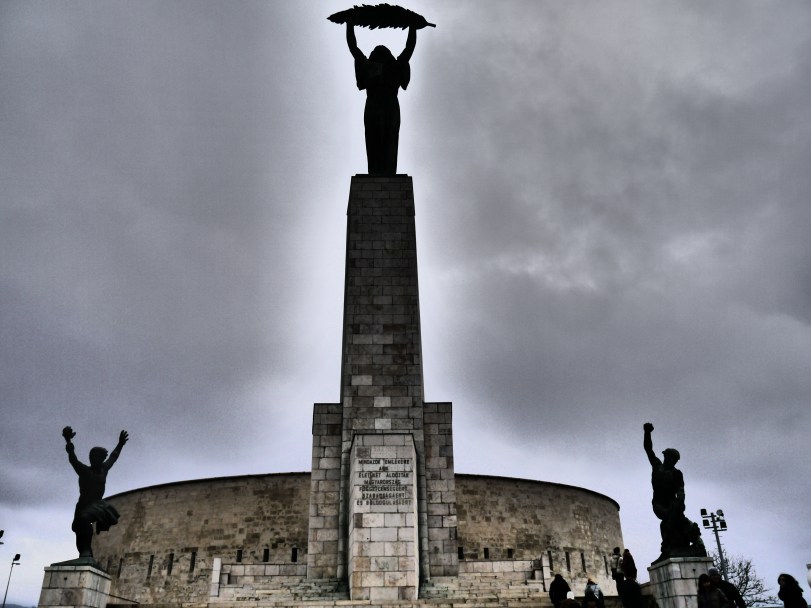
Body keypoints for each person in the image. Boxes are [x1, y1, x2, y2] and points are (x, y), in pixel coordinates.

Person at [345, 22, 425, 175]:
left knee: (390, 139)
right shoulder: (372, 65)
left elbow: (409, 48)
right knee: (373, 139)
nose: (380, 52)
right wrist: (349, 24)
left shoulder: (392, 66)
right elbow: (353, 48)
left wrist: (413, 27)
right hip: (376, 104)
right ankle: (375, 172)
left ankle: (387, 172)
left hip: (387, 105)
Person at [63, 426, 129, 558]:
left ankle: (86, 551)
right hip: (83, 505)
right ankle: (85, 552)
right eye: (91, 457)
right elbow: (73, 460)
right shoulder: (85, 471)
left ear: (101, 459)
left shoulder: (104, 469)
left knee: (84, 520)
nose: (93, 459)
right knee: (78, 529)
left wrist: (120, 444)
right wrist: (68, 441)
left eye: (97, 457)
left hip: (96, 504)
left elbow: (113, 457)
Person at [643, 422, 704, 560]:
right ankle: (672, 545)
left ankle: (676, 544)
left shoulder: (677, 473)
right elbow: (648, 449)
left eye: (675, 460)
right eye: (671, 458)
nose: (673, 462)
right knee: (671, 519)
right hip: (658, 504)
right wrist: (647, 432)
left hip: (672, 503)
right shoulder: (657, 466)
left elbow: (680, 489)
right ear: (666, 457)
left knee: (673, 520)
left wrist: (681, 501)